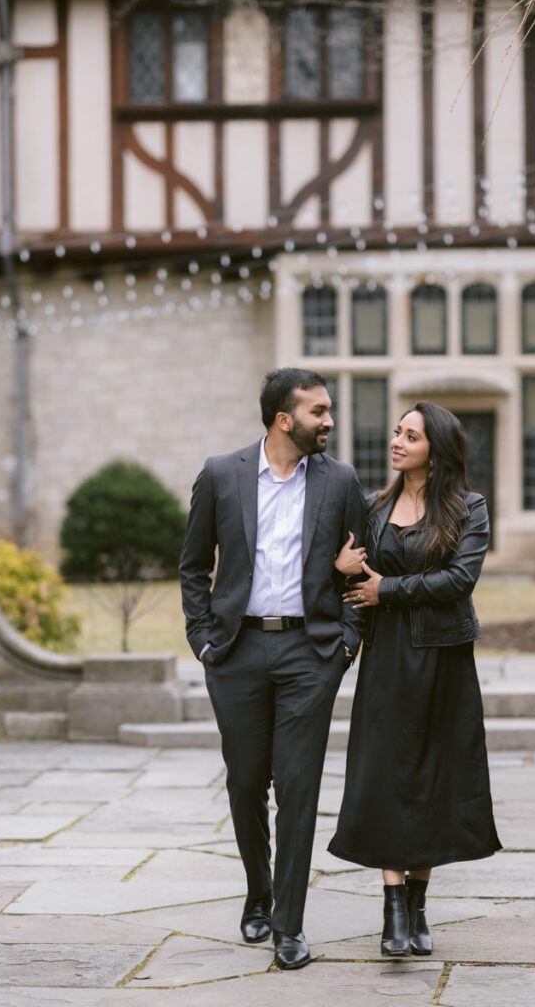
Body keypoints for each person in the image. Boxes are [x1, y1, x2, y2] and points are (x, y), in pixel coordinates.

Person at [179, 368, 366, 970]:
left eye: (328, 410)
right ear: (284, 419)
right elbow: (192, 566)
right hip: (236, 653)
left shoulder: (341, 481)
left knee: (299, 787)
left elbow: (361, 567)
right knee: (244, 783)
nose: (329, 421)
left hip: (310, 655)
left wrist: (344, 646)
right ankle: (258, 892)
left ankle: (289, 923)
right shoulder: (220, 475)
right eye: (318, 412)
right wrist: (203, 641)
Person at [328, 400, 502, 957]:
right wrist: (342, 575)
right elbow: (351, 577)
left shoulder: (468, 509)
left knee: (431, 774)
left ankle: (419, 904)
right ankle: (392, 911)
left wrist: (389, 590)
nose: (397, 441)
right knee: (385, 774)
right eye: (397, 432)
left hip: (443, 656)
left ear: (437, 449)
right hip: (385, 658)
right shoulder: (374, 507)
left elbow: (459, 580)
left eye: (411, 435)